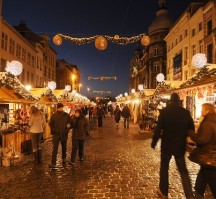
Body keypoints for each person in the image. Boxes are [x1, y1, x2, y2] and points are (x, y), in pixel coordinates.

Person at [151, 93, 195, 199]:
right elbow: (192, 128)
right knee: (183, 171)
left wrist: (154, 142)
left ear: (170, 100)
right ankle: (189, 195)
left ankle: (164, 192)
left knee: (164, 168)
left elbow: (158, 129)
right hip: (180, 146)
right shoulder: (185, 112)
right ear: (178, 101)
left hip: (167, 145)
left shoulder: (165, 112)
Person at [187, 103, 216, 198]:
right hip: (210, 153)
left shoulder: (208, 123)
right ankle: (198, 192)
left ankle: (198, 192)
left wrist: (190, 133)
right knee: (203, 172)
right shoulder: (212, 121)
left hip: (208, 154)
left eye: (202, 109)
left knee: (211, 178)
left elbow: (202, 139)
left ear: (207, 111)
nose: (201, 111)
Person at [49, 103, 72, 168]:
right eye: (60, 107)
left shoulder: (66, 115)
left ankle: (64, 158)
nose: (61, 108)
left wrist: (66, 130)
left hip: (64, 134)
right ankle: (53, 162)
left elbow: (69, 123)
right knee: (55, 149)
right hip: (56, 134)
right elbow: (51, 124)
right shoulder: (54, 115)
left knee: (64, 147)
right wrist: (54, 130)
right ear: (57, 108)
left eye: (62, 107)